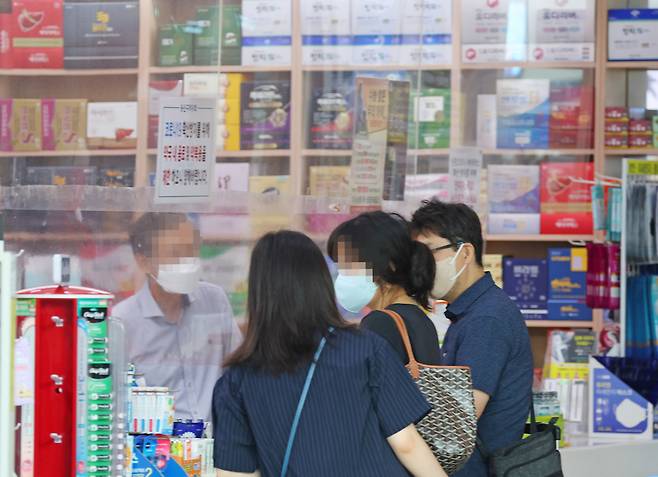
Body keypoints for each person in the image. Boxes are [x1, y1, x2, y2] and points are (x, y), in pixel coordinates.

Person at [212, 231, 446, 477]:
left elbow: (235, 473)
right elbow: (406, 443)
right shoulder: (367, 349)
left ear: (259, 294)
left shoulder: (237, 381)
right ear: (320, 282)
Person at [411, 200, 533, 477]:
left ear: (465, 253)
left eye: (427, 253)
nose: (418, 265)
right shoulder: (472, 311)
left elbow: (457, 422)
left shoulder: (486, 320)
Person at [113, 212, 242, 421]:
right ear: (143, 262)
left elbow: (238, 369)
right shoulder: (123, 321)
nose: (186, 261)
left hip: (217, 443)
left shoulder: (214, 300)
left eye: (191, 251)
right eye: (175, 253)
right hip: (158, 450)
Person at [327, 211, 441, 365]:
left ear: (388, 265)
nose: (343, 276)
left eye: (349, 266)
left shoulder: (381, 322)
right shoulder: (420, 319)